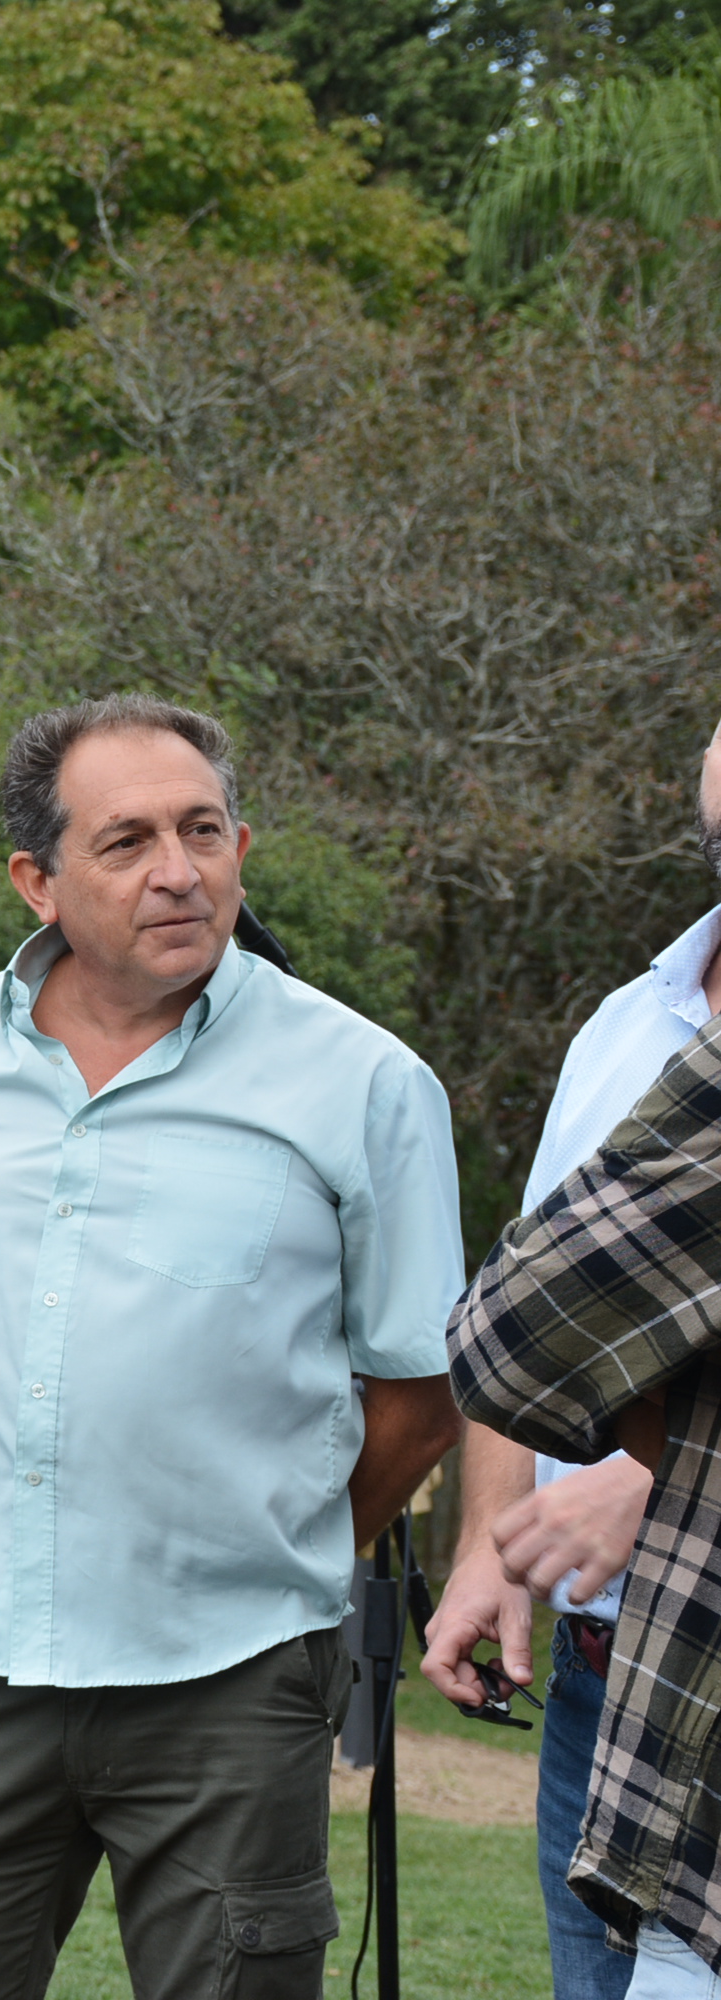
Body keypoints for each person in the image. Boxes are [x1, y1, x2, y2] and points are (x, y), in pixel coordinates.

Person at [0, 695, 464, 1999]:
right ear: (38, 880)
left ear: (243, 846)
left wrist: (283, 1547)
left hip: (233, 1677)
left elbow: (422, 1387)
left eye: (204, 830)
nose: (179, 872)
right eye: (126, 842)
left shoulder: (365, 1082)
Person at [420, 725, 721, 1999]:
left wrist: (662, 1484)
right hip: (606, 1680)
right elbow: (525, 1313)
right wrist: (490, 1543)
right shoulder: (629, 1019)